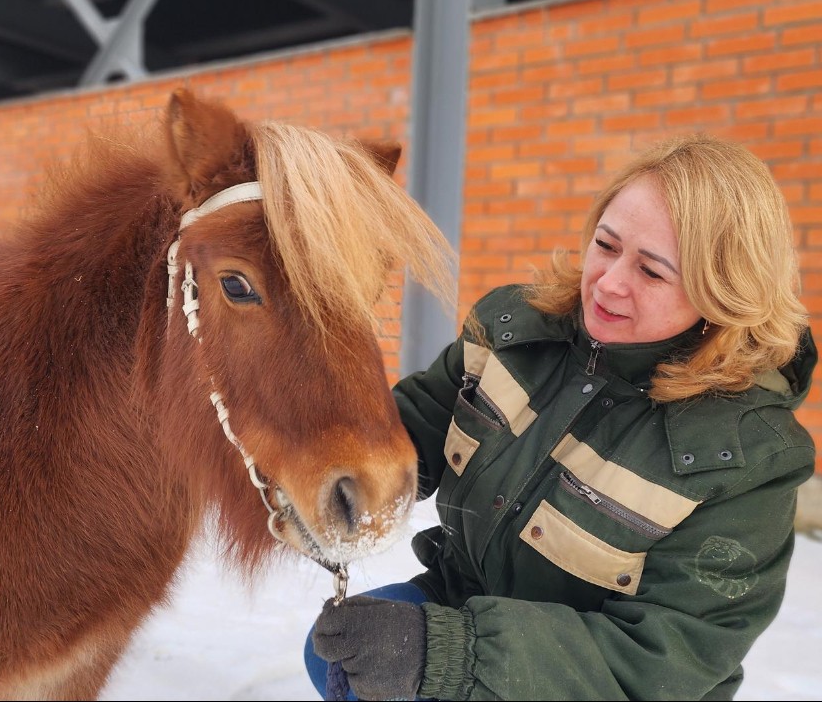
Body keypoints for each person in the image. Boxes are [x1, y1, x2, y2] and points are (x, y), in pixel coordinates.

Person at [303, 133, 818, 701]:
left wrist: (446, 653)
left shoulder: (747, 457)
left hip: (591, 685)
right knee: (337, 663)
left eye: (651, 272)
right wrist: (325, 464)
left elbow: (665, 656)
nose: (610, 281)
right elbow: (412, 425)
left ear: (721, 293)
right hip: (463, 602)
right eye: (606, 244)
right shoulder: (512, 330)